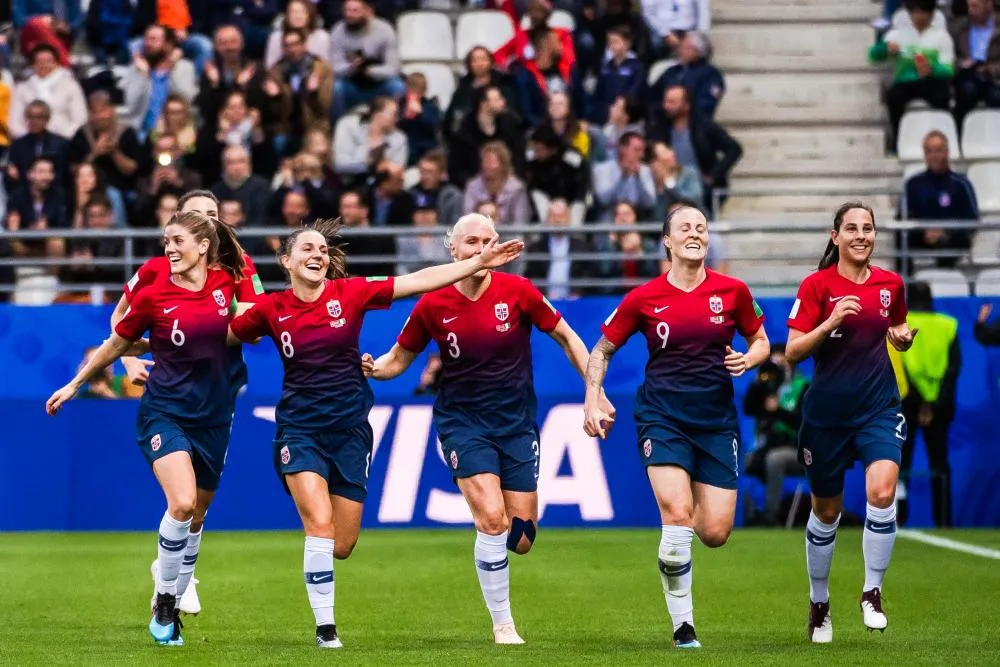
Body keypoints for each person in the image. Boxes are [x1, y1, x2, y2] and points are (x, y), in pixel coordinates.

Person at [228, 216, 524, 649]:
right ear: (286, 260)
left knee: (342, 544)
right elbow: (218, 337)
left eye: (322, 250)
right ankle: (326, 631)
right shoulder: (270, 309)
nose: (317, 255)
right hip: (299, 430)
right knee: (320, 526)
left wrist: (479, 260)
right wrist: (159, 350)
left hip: (350, 432)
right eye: (307, 249)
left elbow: (420, 279)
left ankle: (318, 564)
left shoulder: (351, 292)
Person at [363, 212, 613, 645]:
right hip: (463, 423)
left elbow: (570, 338)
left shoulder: (518, 292)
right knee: (492, 520)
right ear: (453, 250)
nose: (480, 249)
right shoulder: (433, 304)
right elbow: (397, 360)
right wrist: (372, 368)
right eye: (471, 242)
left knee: (522, 538)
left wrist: (595, 390)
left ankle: (495, 557)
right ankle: (503, 625)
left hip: (516, 424)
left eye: (487, 241)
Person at [45, 210, 250, 647]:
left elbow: (254, 320)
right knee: (182, 502)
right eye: (166, 242)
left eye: (177, 241)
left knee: (198, 512)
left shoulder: (226, 283)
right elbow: (117, 342)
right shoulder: (153, 296)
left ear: (202, 246)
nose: (170, 249)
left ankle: (172, 589)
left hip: (214, 415)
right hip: (164, 410)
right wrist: (75, 383)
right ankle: (165, 601)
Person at [583, 204, 770, 649]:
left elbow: (762, 340)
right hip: (662, 417)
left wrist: (750, 357)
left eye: (701, 227)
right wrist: (593, 397)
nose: (695, 232)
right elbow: (601, 350)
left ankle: (674, 555)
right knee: (677, 514)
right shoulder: (643, 298)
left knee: (714, 532)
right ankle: (683, 627)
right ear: (667, 241)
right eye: (685, 227)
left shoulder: (734, 292)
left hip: (716, 420)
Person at [109, 189, 265, 619]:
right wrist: (127, 359)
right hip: (172, 394)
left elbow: (253, 318)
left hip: (220, 393)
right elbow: (121, 318)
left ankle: (176, 571)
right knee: (181, 499)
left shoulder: (239, 265)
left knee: (200, 502)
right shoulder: (159, 268)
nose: (208, 221)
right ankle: (174, 588)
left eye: (213, 215)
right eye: (197, 215)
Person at [784, 202, 916, 643]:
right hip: (826, 418)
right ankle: (819, 602)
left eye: (869, 228)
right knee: (827, 511)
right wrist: (829, 323)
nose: (862, 235)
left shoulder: (890, 284)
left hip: (878, 408)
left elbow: (896, 328)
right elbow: (792, 352)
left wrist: (901, 338)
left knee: (882, 491)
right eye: (852, 228)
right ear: (835, 235)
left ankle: (872, 591)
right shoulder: (817, 286)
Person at [898, 281, 960, 527]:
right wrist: (934, 404)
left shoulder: (901, 323)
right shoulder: (948, 325)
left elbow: (899, 366)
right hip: (940, 406)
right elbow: (953, 369)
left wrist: (918, 402)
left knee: (900, 464)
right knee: (940, 463)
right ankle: (943, 520)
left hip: (907, 404)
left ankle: (897, 518)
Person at [742, 343, 809, 526]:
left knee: (774, 460)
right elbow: (748, 409)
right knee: (750, 460)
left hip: (796, 449)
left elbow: (802, 422)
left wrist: (777, 410)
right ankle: (753, 513)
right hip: (768, 445)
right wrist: (759, 382)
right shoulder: (767, 385)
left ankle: (773, 514)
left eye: (783, 361)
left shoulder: (803, 385)